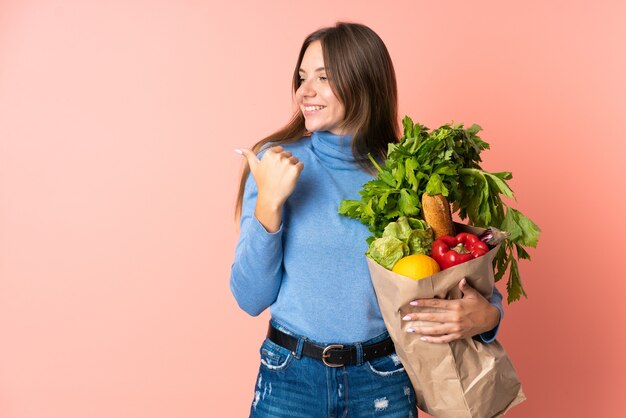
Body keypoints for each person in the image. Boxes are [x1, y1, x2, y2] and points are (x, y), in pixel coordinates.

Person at [230, 22, 503, 417]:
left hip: (384, 379)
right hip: (290, 379)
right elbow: (249, 297)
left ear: (363, 81)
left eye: (323, 78)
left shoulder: (406, 175)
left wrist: (489, 316)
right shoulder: (276, 162)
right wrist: (269, 204)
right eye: (302, 77)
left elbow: (451, 266)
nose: (304, 91)